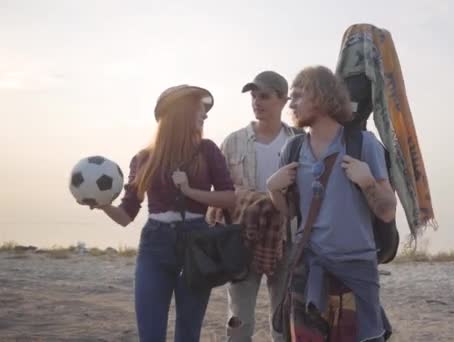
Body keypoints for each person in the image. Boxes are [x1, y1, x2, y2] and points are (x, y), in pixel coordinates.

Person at [93, 85, 236, 342]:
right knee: (150, 334)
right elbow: (126, 216)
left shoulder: (207, 150)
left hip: (197, 246)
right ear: (180, 113)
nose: (205, 115)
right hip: (154, 247)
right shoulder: (143, 158)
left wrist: (190, 190)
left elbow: (229, 197)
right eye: (200, 109)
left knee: (188, 334)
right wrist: (104, 205)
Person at [267, 66, 396, 341]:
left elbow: (386, 211)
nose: (291, 104)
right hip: (307, 267)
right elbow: (291, 213)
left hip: (355, 269)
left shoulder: (362, 144)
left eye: (299, 96)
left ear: (323, 97)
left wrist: (368, 182)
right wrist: (273, 190)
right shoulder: (292, 149)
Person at [209, 71, 302, 342]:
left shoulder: (298, 141)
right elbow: (221, 191)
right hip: (242, 238)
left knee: (283, 316)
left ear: (283, 100)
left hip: (286, 238)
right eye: (253, 96)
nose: (256, 102)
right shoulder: (234, 141)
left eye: (264, 96)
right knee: (238, 317)